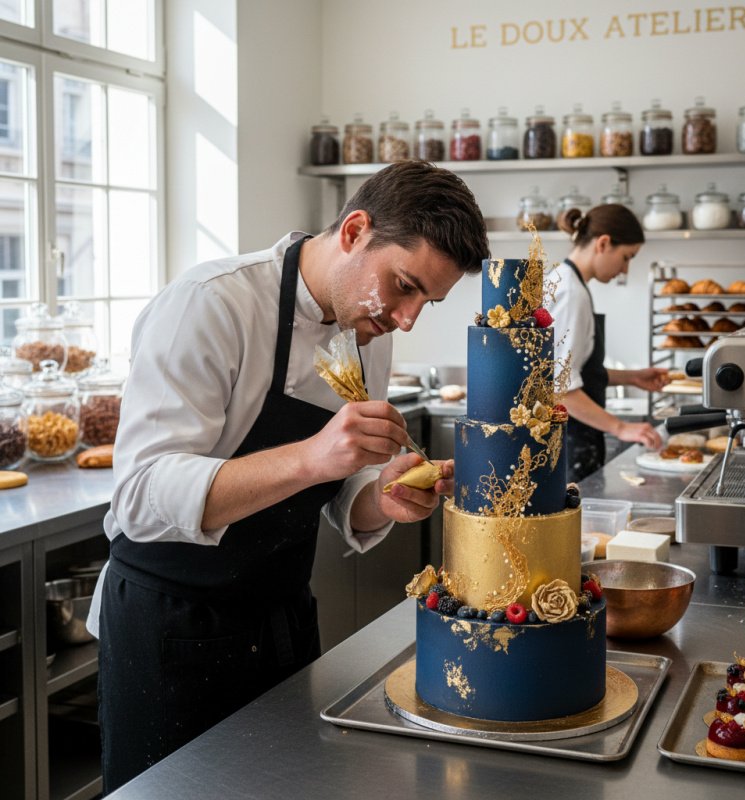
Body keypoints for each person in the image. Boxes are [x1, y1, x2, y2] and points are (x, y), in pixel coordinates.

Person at [88, 160, 489, 792]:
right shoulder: (213, 303)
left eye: (426, 302)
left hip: (283, 618)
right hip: (172, 626)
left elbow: (342, 490)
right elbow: (140, 495)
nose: (408, 318)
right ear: (354, 231)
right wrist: (311, 457)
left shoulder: (370, 330)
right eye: (403, 286)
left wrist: (384, 497)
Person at [549, 204, 667, 483]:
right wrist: (621, 428)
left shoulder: (567, 283)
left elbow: (575, 370)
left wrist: (633, 377)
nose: (625, 269)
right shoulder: (571, 293)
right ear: (603, 243)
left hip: (570, 440)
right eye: (626, 257)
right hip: (567, 443)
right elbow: (560, 388)